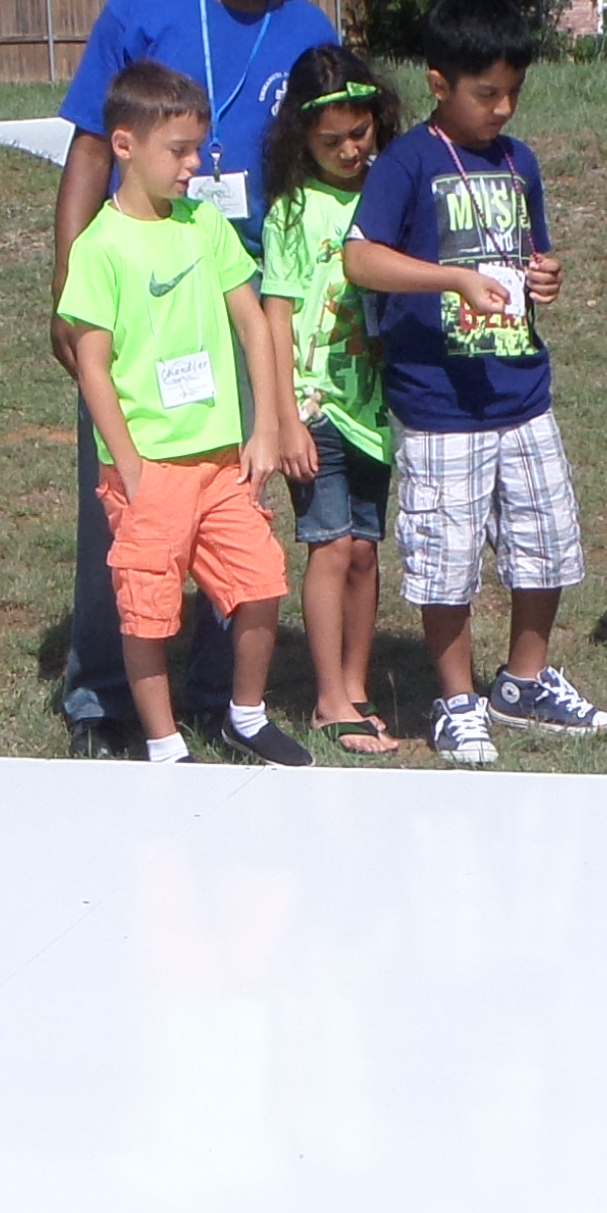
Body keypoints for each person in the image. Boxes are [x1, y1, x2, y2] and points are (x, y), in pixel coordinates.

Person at [47, 0, 335, 746]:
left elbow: (334, 159)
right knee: (129, 505)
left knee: (230, 493)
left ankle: (217, 695)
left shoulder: (308, 27)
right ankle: (103, 694)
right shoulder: (143, 6)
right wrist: (65, 284)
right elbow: (91, 150)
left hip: (246, 288)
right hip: (139, 289)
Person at [341, 0, 607, 767]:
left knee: (544, 542)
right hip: (440, 404)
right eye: (486, 93)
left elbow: (530, 255)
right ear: (439, 83)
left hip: (521, 390)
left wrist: (546, 276)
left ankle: (523, 681)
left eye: (513, 93)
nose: (502, 109)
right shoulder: (407, 162)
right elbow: (360, 258)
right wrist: (450, 279)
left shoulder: (519, 161)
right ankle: (457, 699)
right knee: (447, 557)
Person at [55, 60, 308, 765]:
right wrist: (129, 467)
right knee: (149, 608)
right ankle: (165, 744)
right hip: (150, 467)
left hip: (222, 461)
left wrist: (263, 427)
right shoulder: (100, 247)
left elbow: (253, 323)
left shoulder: (205, 225)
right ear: (125, 145)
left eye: (198, 148)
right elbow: (93, 366)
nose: (195, 164)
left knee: (260, 581)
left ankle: (245, 715)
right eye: (179, 150)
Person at [254, 45, 405, 756]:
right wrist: (284, 418)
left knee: (366, 550)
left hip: (374, 407)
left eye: (360, 133)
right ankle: (326, 700)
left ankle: (356, 687)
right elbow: (276, 317)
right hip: (313, 408)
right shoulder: (291, 211)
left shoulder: (389, 195)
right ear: (300, 141)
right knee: (331, 544)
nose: (350, 150)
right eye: (331, 141)